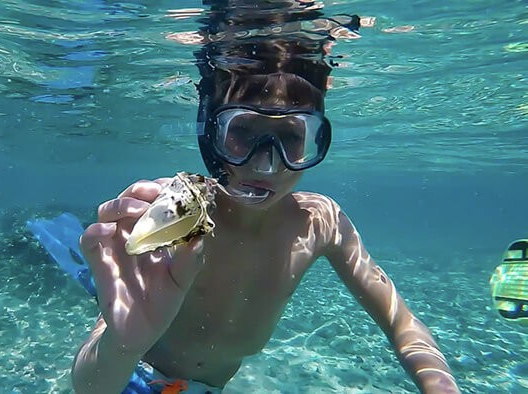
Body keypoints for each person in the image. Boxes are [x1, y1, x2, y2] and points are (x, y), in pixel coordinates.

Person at [68, 2, 460, 393]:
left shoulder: (320, 222)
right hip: (137, 376)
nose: (267, 165)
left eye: (292, 137)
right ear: (211, 134)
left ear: (316, 140)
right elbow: (89, 387)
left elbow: (401, 323)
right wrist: (122, 345)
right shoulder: (178, 210)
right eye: (243, 132)